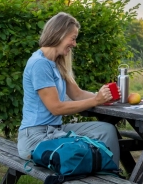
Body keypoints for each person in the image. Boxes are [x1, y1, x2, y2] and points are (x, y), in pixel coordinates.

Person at [17, 12, 120, 167]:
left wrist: (105, 98)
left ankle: (111, 174)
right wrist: (95, 100)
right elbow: (56, 108)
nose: (74, 44)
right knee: (82, 151)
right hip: (35, 137)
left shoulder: (57, 63)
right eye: (73, 38)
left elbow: (77, 94)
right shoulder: (40, 64)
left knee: (106, 130)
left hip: (53, 130)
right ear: (59, 34)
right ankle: (106, 179)